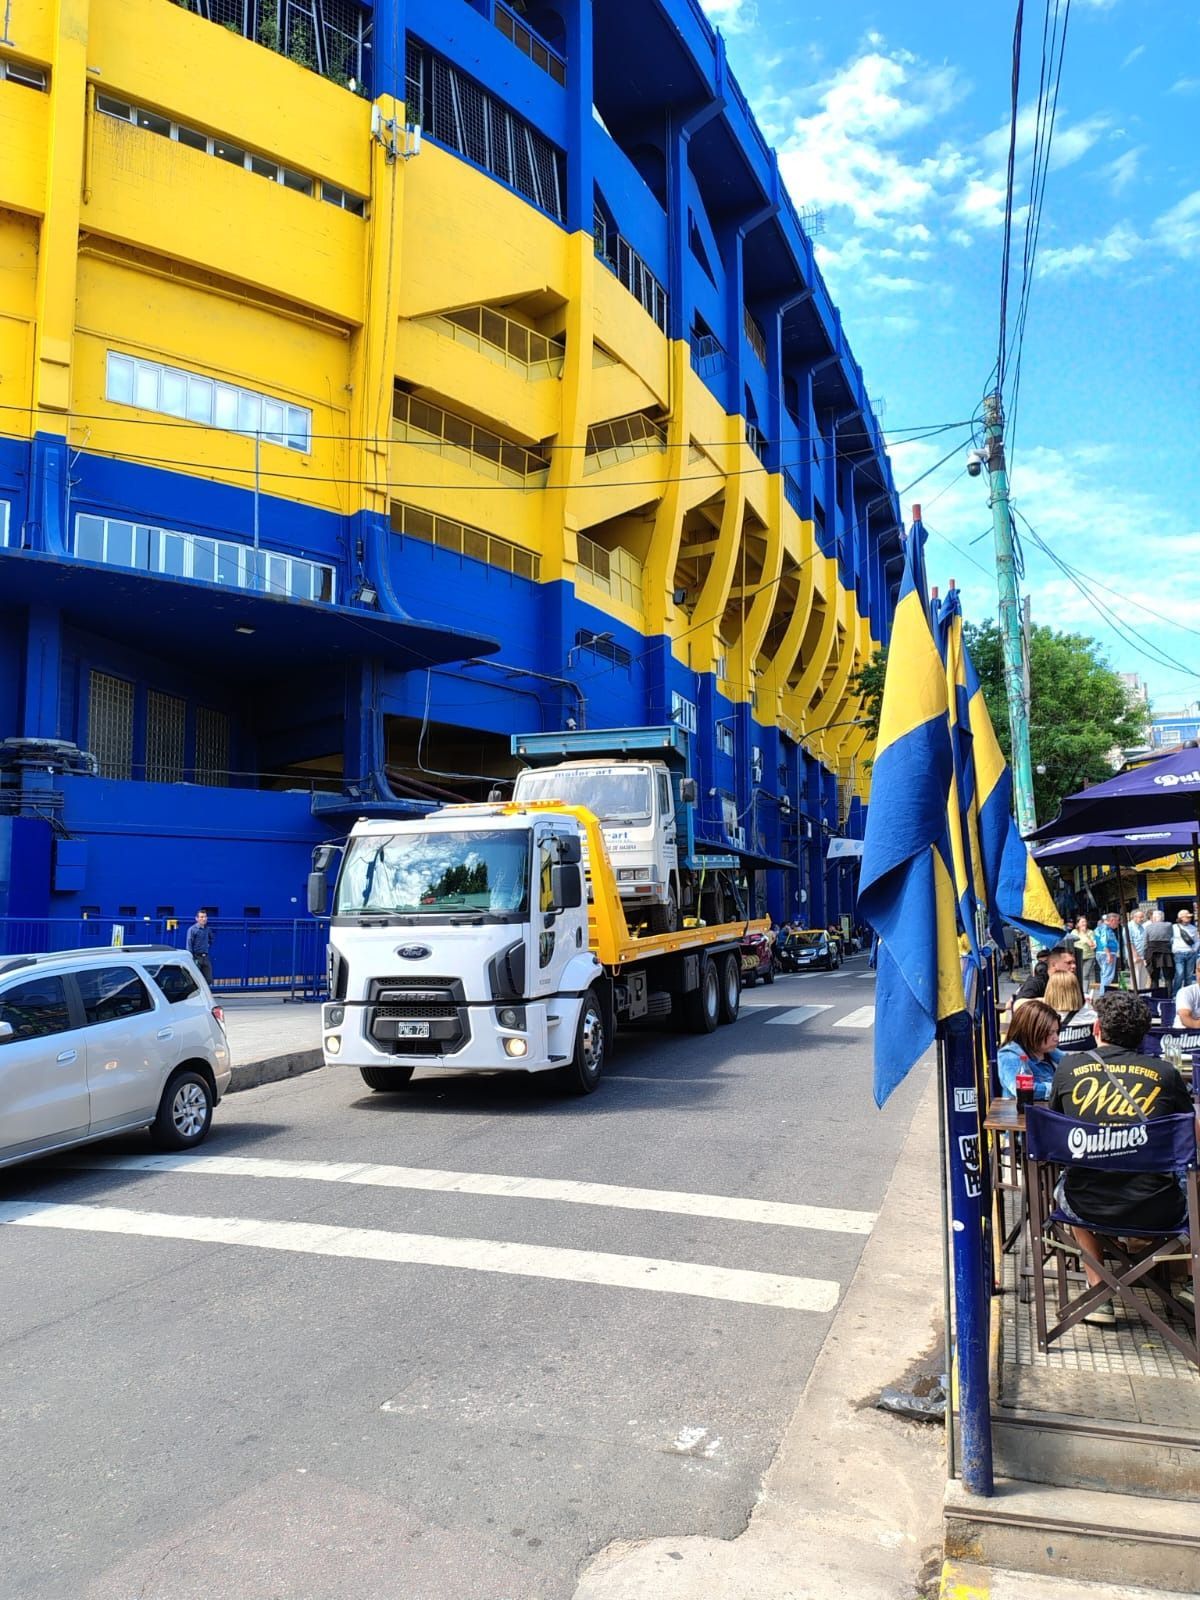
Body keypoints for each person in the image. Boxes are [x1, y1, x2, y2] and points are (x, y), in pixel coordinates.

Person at [1047, 989, 1197, 1325]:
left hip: (1087, 1202)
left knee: (1071, 1181)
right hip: (1159, 1206)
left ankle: (1099, 1291)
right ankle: (1191, 1280)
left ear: (1097, 1028)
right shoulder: (1165, 1074)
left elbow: (1055, 1135)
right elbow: (1188, 1137)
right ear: (1145, 1035)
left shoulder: (1070, 1067)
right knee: (1195, 1183)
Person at [998, 1000, 1061, 1101]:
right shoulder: (1010, 1055)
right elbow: (1022, 1089)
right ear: (1030, 1031)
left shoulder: (1050, 1051)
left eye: (1057, 1032)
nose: (1056, 1038)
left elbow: (1072, 1063)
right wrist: (1061, 1089)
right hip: (1023, 1115)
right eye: (1050, 1033)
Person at [1014, 941, 1077, 1009]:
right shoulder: (1037, 981)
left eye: (1074, 962)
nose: (1074, 966)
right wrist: (1050, 1001)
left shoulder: (1071, 980)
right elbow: (1018, 1004)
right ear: (1054, 964)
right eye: (1069, 963)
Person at [1144, 909, 1174, 996]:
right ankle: (1168, 995)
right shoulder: (1169, 925)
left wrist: (1145, 955)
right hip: (1166, 952)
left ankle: (1155, 995)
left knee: (1154, 977)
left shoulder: (1148, 927)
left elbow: (1145, 942)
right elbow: (1171, 938)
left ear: (1153, 918)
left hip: (1152, 952)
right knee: (1168, 977)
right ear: (1163, 917)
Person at [1172, 908, 1199, 994]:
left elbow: (1197, 940)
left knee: (1189, 976)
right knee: (1179, 974)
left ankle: (1187, 994)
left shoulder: (1193, 928)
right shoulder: (1173, 927)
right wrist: (1174, 949)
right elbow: (1170, 940)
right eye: (1187, 917)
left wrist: (1194, 949)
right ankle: (1175, 994)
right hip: (1178, 953)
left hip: (1191, 954)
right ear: (1181, 918)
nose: (1189, 919)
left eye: (1189, 917)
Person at [1093, 912, 1120, 997]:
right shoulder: (1105, 929)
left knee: (1104, 974)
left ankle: (1103, 994)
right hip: (1107, 953)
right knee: (1108, 975)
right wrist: (1108, 955)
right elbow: (1104, 942)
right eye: (1117, 921)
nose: (1118, 923)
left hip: (1101, 953)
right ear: (1112, 920)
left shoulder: (1099, 928)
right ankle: (1103, 995)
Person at [186, 909, 215, 985]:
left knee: (208, 979)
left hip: (205, 957)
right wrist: (191, 957)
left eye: (205, 917)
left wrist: (207, 946)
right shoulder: (192, 930)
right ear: (197, 918)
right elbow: (189, 944)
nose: (204, 919)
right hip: (196, 957)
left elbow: (211, 939)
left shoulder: (208, 929)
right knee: (194, 979)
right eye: (201, 917)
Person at [1127, 908, 1149, 994]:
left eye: (1143, 917)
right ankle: (1135, 995)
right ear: (1134, 917)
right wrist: (1135, 956)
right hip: (1134, 955)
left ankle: (1142, 994)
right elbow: (1129, 942)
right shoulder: (1129, 927)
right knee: (1136, 977)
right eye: (1140, 917)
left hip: (1143, 956)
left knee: (1143, 977)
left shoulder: (1142, 927)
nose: (1142, 919)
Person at [1072, 916, 1096, 990]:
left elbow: (1092, 945)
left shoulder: (1090, 932)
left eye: (1085, 922)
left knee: (1085, 975)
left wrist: (1084, 933)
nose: (1084, 924)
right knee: (1076, 975)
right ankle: (1077, 991)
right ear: (1078, 924)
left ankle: (1085, 992)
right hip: (1077, 956)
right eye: (1082, 922)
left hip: (1089, 956)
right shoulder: (1074, 932)